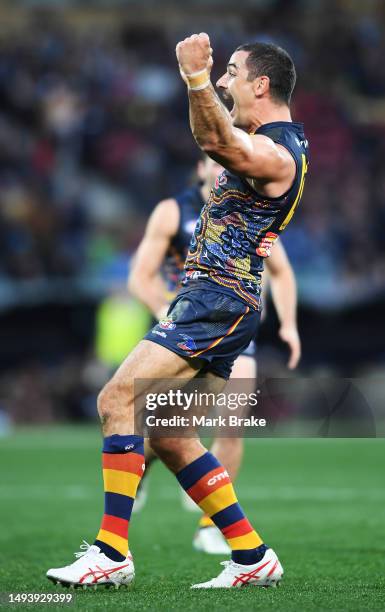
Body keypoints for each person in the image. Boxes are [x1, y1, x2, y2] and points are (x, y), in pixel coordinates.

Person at [47, 35, 309, 589]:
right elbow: (219, 138)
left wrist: (193, 77)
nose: (223, 80)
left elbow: (215, 137)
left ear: (260, 84)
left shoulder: (280, 153)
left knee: (117, 397)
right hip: (219, 301)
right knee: (168, 434)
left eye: (232, 72)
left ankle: (111, 552)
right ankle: (251, 556)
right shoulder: (271, 143)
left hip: (215, 302)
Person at [129, 155, 301, 555]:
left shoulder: (251, 209)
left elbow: (281, 271)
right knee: (167, 431)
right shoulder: (173, 211)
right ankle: (141, 469)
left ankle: (210, 526)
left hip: (235, 329)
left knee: (232, 425)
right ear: (201, 168)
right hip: (186, 330)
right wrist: (167, 315)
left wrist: (288, 324)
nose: (223, 168)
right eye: (215, 161)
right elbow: (140, 275)